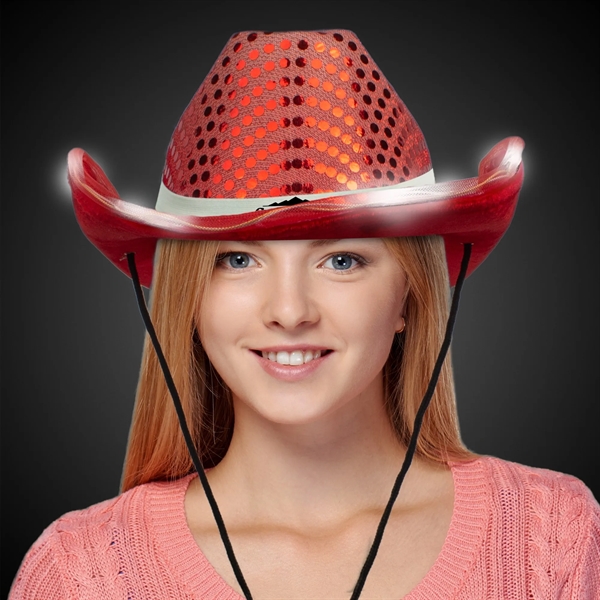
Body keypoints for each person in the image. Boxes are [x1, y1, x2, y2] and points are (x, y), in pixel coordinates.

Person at [10, 30, 599, 600]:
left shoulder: (557, 540)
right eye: (237, 259)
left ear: (410, 297)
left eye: (342, 260)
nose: (289, 312)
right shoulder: (79, 575)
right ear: (185, 297)